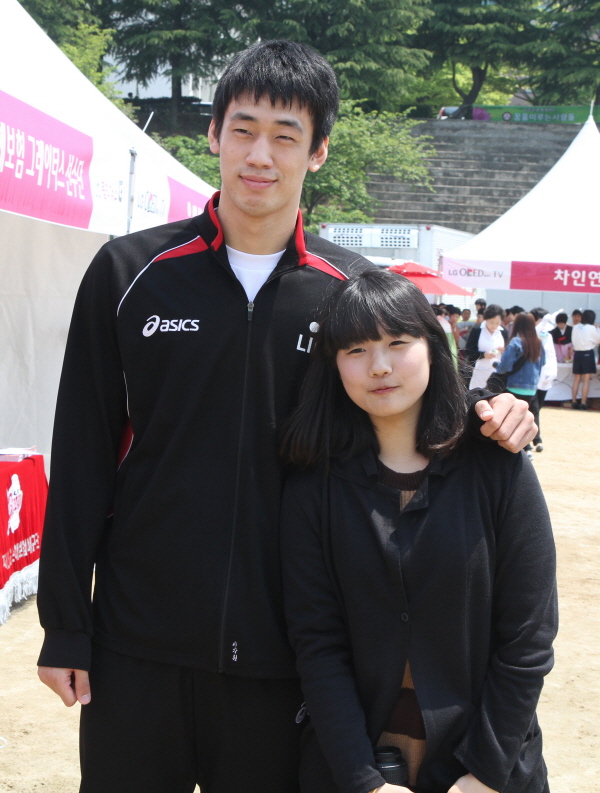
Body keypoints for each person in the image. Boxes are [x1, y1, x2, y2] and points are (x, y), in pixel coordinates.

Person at [36, 41, 537, 793]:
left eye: (285, 135)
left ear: (319, 151)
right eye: (242, 130)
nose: (260, 155)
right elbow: (81, 451)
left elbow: (422, 392)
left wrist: (497, 410)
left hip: (292, 657)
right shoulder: (129, 273)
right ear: (213, 134)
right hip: (136, 639)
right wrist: (66, 622)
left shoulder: (350, 289)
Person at [280, 268, 557, 793]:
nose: (379, 366)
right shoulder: (313, 487)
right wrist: (364, 780)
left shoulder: (496, 466)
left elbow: (528, 638)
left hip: (487, 763)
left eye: (397, 342)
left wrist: (484, 774)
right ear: (333, 364)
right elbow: (317, 644)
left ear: (433, 347)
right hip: (353, 761)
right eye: (356, 350)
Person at [528, 308, 557, 453]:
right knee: (532, 409)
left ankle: (534, 436)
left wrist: (553, 372)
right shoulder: (531, 333)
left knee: (537, 408)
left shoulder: (548, 335)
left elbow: (552, 354)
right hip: (532, 377)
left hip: (546, 376)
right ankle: (534, 439)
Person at [465, 304, 508, 389]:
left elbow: (508, 353)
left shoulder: (503, 331)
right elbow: (468, 351)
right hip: (480, 370)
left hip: (497, 372)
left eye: (497, 323)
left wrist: (504, 350)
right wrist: (483, 355)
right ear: (486, 319)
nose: (494, 325)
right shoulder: (477, 330)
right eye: (491, 322)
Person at [571, 309, 600, 410]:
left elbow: (573, 340)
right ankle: (583, 403)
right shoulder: (591, 328)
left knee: (577, 379)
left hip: (577, 354)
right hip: (587, 353)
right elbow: (598, 340)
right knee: (586, 380)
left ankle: (574, 401)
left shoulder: (575, 327)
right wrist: (597, 328)